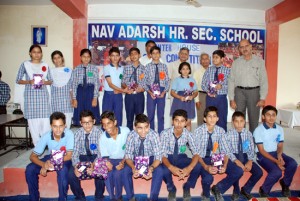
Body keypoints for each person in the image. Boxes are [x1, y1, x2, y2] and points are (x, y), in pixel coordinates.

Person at [194, 106, 243, 201]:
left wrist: (224, 165)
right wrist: (206, 167)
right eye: (209, 116)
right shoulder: (198, 131)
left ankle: (218, 188)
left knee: (238, 171)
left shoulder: (221, 131)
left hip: (215, 158)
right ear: (204, 119)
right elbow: (196, 154)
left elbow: (225, 151)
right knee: (208, 178)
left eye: (214, 116)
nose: (212, 119)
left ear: (217, 118)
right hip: (202, 158)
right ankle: (205, 194)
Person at [25, 112, 74, 201]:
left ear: (65, 125)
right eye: (55, 126)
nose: (58, 129)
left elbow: (69, 156)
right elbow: (32, 156)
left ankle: (62, 198)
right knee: (30, 169)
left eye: (61, 126)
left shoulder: (69, 134)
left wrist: (52, 161)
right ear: (51, 126)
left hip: (64, 159)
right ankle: (34, 198)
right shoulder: (46, 136)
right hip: (51, 157)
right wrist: (43, 164)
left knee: (63, 170)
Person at [253, 105, 297, 197]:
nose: (271, 117)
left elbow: (280, 145)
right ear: (263, 117)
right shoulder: (258, 130)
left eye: (273, 115)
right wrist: (277, 161)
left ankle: (285, 183)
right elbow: (261, 150)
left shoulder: (279, 129)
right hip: (262, 155)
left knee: (293, 163)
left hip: (275, 153)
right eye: (268, 115)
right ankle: (264, 190)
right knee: (276, 172)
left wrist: (279, 156)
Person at [228, 39, 268, 133]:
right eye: (241, 47)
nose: (244, 49)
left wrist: (262, 98)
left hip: (254, 92)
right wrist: (231, 99)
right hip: (239, 92)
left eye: (246, 46)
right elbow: (231, 81)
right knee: (239, 118)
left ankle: (253, 142)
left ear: (251, 47)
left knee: (254, 118)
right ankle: (240, 139)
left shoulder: (259, 62)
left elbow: (264, 81)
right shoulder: (236, 63)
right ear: (239, 49)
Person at [160, 109, 201, 201]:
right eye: (176, 120)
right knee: (162, 169)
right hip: (168, 157)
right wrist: (171, 167)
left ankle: (187, 186)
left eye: (182, 121)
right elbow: (162, 155)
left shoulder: (188, 134)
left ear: (186, 123)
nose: (179, 124)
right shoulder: (164, 133)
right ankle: (171, 188)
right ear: (172, 121)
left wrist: (188, 168)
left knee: (198, 166)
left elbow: (196, 153)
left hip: (181, 157)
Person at [16, 44, 52, 146]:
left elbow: (51, 81)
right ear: (30, 53)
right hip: (31, 99)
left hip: (43, 99)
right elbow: (18, 80)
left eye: (39, 52)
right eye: (34, 52)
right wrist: (29, 82)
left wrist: (45, 82)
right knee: (33, 127)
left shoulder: (45, 65)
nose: (36, 54)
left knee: (46, 126)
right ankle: (37, 148)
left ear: (41, 54)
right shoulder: (25, 65)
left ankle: (47, 148)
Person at [123, 114, 163, 201]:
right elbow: (128, 156)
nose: (144, 131)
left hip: (150, 158)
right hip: (135, 158)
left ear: (149, 126)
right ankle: (131, 197)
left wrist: (151, 168)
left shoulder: (154, 135)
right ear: (134, 127)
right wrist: (133, 168)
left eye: (146, 127)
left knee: (160, 170)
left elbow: (158, 157)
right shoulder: (131, 135)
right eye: (140, 128)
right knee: (125, 170)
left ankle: (153, 198)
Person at [68, 110, 105, 201]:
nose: (87, 125)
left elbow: (101, 153)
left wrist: (94, 165)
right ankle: (80, 196)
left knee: (100, 170)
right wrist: (76, 166)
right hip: (82, 157)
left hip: (95, 157)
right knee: (71, 174)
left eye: (89, 122)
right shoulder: (77, 133)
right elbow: (75, 152)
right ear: (80, 123)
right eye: (84, 123)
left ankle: (99, 197)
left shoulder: (99, 133)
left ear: (94, 121)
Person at [226, 111, 263, 200]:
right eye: (236, 121)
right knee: (237, 170)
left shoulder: (248, 134)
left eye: (241, 121)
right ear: (232, 122)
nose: (239, 124)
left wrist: (250, 161)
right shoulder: (228, 134)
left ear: (245, 122)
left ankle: (246, 189)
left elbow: (251, 150)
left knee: (259, 172)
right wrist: (237, 162)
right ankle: (236, 189)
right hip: (234, 157)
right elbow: (228, 151)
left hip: (245, 156)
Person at [99, 111, 131, 201]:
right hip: (111, 160)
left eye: (108, 123)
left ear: (115, 122)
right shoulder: (102, 137)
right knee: (107, 173)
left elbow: (130, 150)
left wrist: (123, 162)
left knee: (118, 174)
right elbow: (105, 156)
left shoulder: (126, 131)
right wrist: (107, 163)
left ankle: (119, 197)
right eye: (104, 124)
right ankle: (112, 198)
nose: (106, 127)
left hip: (126, 158)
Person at [201, 50, 230, 131]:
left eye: (216, 57)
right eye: (213, 57)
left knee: (222, 119)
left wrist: (222, 86)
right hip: (210, 98)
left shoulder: (227, 71)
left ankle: (222, 140)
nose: (214, 59)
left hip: (221, 98)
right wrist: (209, 91)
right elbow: (203, 84)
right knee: (210, 119)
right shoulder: (209, 70)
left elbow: (231, 85)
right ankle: (209, 138)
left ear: (222, 59)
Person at [144, 46, 170, 133]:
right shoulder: (147, 67)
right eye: (153, 53)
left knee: (161, 115)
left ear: (160, 54)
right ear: (150, 55)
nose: (155, 55)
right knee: (150, 114)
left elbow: (167, 81)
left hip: (161, 90)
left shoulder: (164, 66)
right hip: (151, 90)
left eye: (157, 53)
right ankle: (151, 134)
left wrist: (164, 92)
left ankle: (161, 134)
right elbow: (144, 81)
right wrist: (149, 92)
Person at [71, 49, 101, 126]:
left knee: (91, 111)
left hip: (91, 91)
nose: (86, 58)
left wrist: (95, 98)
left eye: (88, 57)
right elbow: (74, 84)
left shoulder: (94, 69)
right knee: (80, 112)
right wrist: (74, 98)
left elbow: (97, 83)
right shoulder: (76, 69)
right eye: (84, 56)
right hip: (80, 92)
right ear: (81, 57)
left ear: (90, 58)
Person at [103, 47, 129, 127]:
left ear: (120, 57)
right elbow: (110, 84)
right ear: (109, 57)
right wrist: (123, 90)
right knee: (107, 116)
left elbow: (122, 82)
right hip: (109, 95)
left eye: (117, 55)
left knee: (118, 116)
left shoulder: (122, 68)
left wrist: (126, 88)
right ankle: (106, 135)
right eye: (113, 55)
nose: (115, 58)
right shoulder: (107, 68)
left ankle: (118, 134)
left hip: (118, 95)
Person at [122, 47, 146, 130]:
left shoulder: (144, 68)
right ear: (129, 56)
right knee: (129, 119)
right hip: (129, 96)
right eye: (131, 54)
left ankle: (139, 137)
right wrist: (126, 88)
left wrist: (142, 89)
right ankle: (129, 138)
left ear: (139, 55)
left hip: (139, 96)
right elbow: (123, 82)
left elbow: (146, 82)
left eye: (135, 53)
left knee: (139, 119)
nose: (133, 56)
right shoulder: (126, 68)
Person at [170, 62, 198, 131]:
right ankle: (175, 138)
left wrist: (192, 96)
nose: (185, 71)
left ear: (189, 70)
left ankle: (187, 139)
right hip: (179, 101)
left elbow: (196, 92)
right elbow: (172, 92)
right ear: (180, 70)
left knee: (188, 122)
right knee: (177, 121)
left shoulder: (192, 80)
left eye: (187, 69)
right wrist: (180, 97)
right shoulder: (176, 80)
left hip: (189, 102)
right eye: (183, 69)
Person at [50, 50, 73, 128]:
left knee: (67, 124)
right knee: (56, 125)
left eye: (59, 57)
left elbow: (71, 87)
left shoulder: (69, 71)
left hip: (66, 101)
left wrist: (73, 99)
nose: (57, 60)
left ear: (62, 58)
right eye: (55, 58)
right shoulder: (50, 72)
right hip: (55, 102)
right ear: (52, 60)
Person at [193, 53, 210, 125]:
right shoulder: (197, 72)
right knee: (201, 116)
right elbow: (194, 87)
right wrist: (196, 100)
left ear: (209, 60)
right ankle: (200, 134)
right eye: (203, 59)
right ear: (200, 61)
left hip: (212, 96)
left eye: (206, 59)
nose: (205, 60)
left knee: (211, 116)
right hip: (201, 95)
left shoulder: (213, 71)